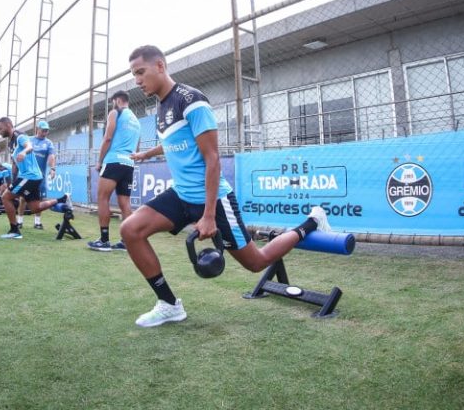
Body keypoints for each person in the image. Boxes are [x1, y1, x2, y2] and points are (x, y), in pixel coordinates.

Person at [120, 45, 331, 328]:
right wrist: (148, 153)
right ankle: (169, 305)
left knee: (256, 262)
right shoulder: (161, 105)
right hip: (181, 194)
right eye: (134, 75)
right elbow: (176, 140)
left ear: (160, 66)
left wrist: (207, 215)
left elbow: (213, 159)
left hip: (214, 200)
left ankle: (311, 222)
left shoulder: (192, 101)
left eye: (140, 72)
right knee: (130, 230)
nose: (137, 80)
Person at [0, 117, 69, 239]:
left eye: (0, 128)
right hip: (32, 177)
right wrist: (13, 179)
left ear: (8, 125)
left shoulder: (20, 136)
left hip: (30, 176)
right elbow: (15, 163)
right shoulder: (10, 143)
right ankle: (61, 200)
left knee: (6, 197)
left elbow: (29, 147)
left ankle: (15, 230)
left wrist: (24, 152)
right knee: (35, 207)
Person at [87, 91, 141, 252]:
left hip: (113, 161)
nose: (112, 105)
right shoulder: (136, 121)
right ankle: (127, 241)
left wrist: (100, 161)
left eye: (112, 102)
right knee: (125, 203)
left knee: (102, 198)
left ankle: (104, 241)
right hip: (129, 164)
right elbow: (137, 148)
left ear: (117, 100)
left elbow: (108, 138)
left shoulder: (115, 112)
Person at [17, 120, 56, 230]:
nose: (45, 132)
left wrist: (52, 168)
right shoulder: (28, 140)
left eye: (47, 130)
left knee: (39, 199)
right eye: (43, 130)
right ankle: (19, 221)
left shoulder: (48, 143)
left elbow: (52, 156)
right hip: (27, 176)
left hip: (40, 177)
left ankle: (37, 223)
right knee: (23, 198)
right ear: (37, 129)